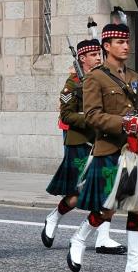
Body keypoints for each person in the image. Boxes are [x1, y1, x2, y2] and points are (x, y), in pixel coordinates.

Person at [66, 22, 138, 272]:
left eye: (127, 41)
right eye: (120, 42)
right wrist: (122, 122)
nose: (126, 46)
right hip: (110, 149)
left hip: (136, 150)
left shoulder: (137, 77)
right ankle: (80, 237)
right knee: (108, 207)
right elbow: (92, 116)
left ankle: (133, 264)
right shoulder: (95, 78)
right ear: (106, 46)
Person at [41, 39, 106, 251]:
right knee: (77, 195)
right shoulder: (72, 84)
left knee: (105, 190)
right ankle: (54, 216)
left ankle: (103, 236)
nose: (98, 57)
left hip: (101, 141)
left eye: (99, 54)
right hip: (79, 143)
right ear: (82, 58)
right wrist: (91, 118)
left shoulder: (105, 79)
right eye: (93, 54)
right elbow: (66, 115)